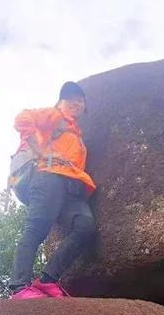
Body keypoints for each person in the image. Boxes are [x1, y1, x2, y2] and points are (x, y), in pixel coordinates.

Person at [8, 81, 98, 299]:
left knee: (85, 227)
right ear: (60, 101)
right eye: (71, 98)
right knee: (36, 228)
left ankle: (48, 280)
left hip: (70, 189)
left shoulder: (77, 135)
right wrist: (39, 150)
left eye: (81, 101)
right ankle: (19, 287)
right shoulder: (54, 116)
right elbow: (23, 118)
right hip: (48, 177)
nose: (77, 103)